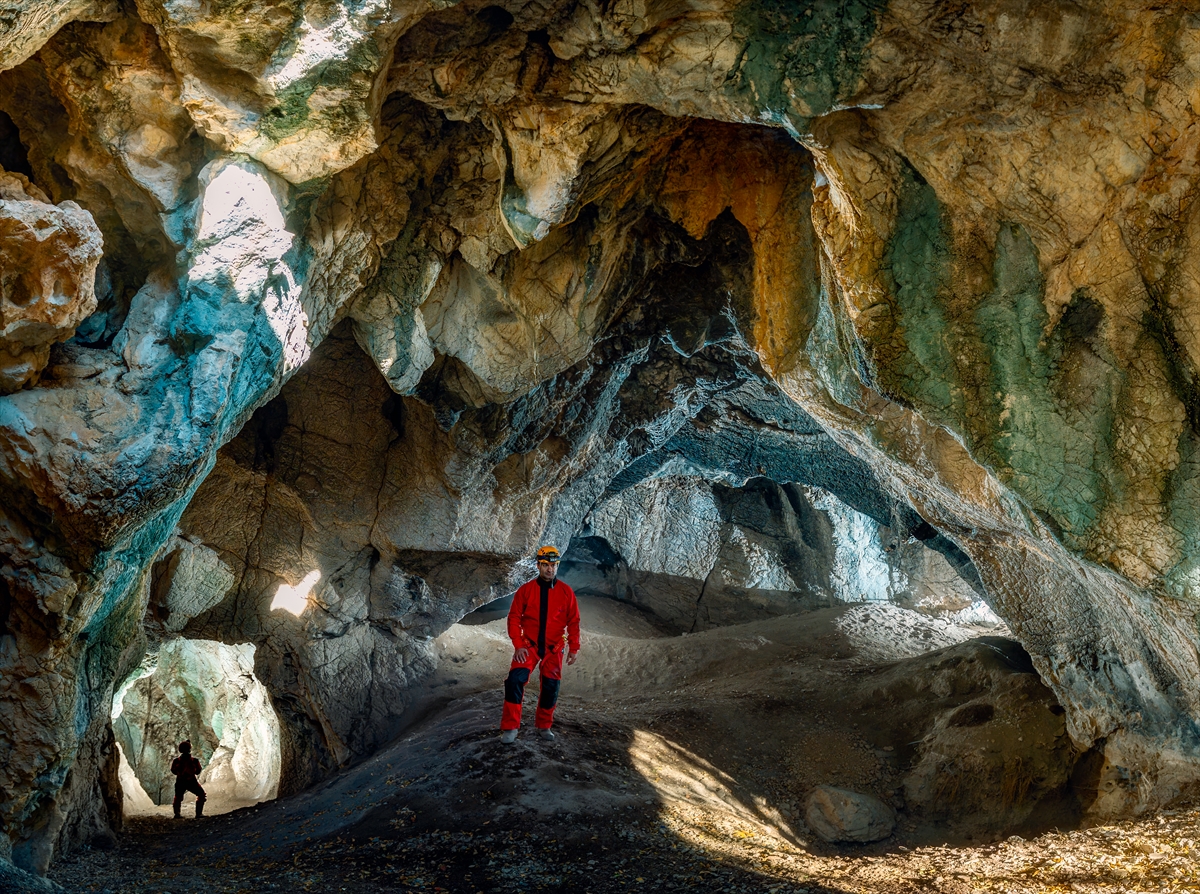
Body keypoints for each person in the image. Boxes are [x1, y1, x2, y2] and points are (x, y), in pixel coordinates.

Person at [499, 545, 580, 743]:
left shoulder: (566, 592)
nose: (549, 569)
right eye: (545, 565)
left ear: (557, 566)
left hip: (554, 648)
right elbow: (514, 618)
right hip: (529, 646)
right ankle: (510, 727)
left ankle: (544, 726)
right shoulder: (526, 591)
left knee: (551, 686)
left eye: (553, 565)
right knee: (514, 680)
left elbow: (574, 621)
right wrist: (518, 644)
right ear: (538, 566)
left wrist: (574, 647)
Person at [171, 740, 206, 818]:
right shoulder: (194, 761)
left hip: (180, 781)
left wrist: (180, 773)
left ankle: (177, 814)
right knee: (201, 794)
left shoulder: (176, 761)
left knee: (178, 797)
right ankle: (198, 813)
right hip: (191, 781)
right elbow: (198, 771)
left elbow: (173, 770)